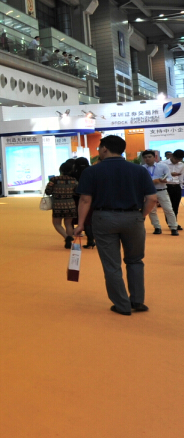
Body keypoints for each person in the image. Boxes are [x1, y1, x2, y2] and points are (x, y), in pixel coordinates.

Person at [72, 135, 158, 316]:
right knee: (135, 260)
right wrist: (140, 216)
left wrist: (80, 224)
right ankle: (137, 300)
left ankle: (122, 305)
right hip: (133, 218)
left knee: (112, 264)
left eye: (99, 148)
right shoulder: (139, 170)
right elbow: (152, 199)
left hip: (104, 218)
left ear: (104, 148)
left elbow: (85, 200)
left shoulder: (92, 171)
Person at [139, 150, 179, 236]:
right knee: (151, 211)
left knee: (168, 209)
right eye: (145, 157)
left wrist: (165, 180)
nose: (147, 159)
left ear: (154, 157)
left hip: (162, 190)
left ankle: (173, 227)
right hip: (149, 192)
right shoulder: (142, 168)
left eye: (149, 157)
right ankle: (157, 227)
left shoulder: (163, 166)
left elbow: (170, 178)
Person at [47, 160, 79, 247]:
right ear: (71, 170)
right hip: (70, 204)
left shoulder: (54, 180)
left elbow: (48, 191)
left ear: (60, 170)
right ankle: (69, 242)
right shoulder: (74, 180)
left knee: (57, 224)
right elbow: (77, 192)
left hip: (58, 205)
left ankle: (66, 237)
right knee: (68, 224)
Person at [166, 149, 184, 218]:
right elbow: (159, 175)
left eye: (180, 159)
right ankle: (170, 221)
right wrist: (170, 174)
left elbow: (181, 177)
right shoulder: (163, 163)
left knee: (176, 206)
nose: (177, 161)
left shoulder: (182, 165)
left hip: (177, 186)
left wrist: (180, 187)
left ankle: (174, 222)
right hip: (166, 186)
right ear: (172, 156)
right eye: (176, 159)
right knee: (168, 207)